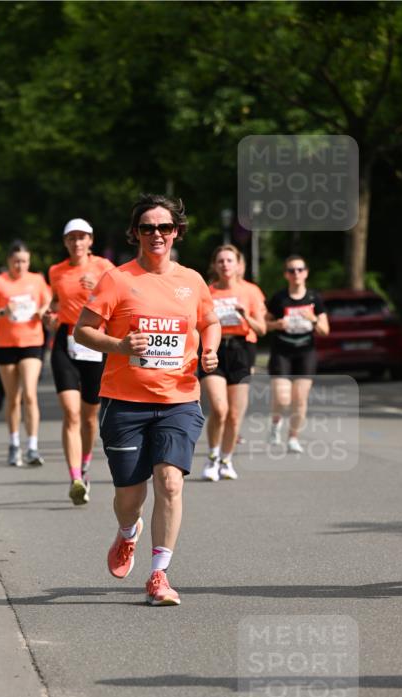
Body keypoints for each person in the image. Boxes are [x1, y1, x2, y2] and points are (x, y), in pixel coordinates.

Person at [74, 193, 220, 606]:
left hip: (179, 398)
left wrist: (210, 349)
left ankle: (159, 574)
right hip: (125, 401)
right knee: (129, 497)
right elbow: (82, 331)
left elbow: (209, 322)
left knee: (170, 482)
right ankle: (127, 534)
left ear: (177, 232)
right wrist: (119, 345)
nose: (157, 234)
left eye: (165, 227)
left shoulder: (191, 280)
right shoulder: (117, 279)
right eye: (147, 227)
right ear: (135, 233)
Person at [48, 218, 114, 504]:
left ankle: (85, 466)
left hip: (94, 341)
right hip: (66, 340)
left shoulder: (105, 269)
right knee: (71, 412)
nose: (76, 242)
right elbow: (54, 301)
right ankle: (74, 477)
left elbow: (121, 304)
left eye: (81, 237)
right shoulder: (56, 271)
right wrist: (48, 315)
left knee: (89, 417)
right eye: (71, 238)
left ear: (90, 241)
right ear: (65, 242)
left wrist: (98, 287)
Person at [199, 245, 266, 481]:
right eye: (221, 261)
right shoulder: (207, 292)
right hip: (214, 348)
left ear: (238, 265)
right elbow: (196, 325)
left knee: (235, 415)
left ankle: (227, 459)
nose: (225, 265)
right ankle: (212, 457)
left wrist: (244, 315)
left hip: (241, 349)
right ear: (214, 266)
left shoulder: (251, 292)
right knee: (219, 409)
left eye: (229, 260)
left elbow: (262, 329)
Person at [0, 241, 52, 466]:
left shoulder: (37, 280)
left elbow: (48, 299)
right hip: (5, 343)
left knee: (30, 394)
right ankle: (14, 444)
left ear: (29, 261)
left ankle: (32, 447)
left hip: (32, 342)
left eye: (24, 261)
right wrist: (4, 311)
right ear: (8, 262)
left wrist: (42, 311)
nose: (20, 265)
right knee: (13, 398)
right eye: (16, 261)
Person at [265, 255, 329, 452]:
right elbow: (263, 326)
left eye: (300, 269)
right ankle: (276, 424)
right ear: (286, 274)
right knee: (283, 398)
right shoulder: (279, 298)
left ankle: (293, 438)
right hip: (282, 351)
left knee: (300, 399)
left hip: (305, 352)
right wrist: (276, 324)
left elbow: (325, 330)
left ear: (306, 273)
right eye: (292, 270)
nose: (296, 274)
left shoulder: (313, 298)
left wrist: (313, 319)